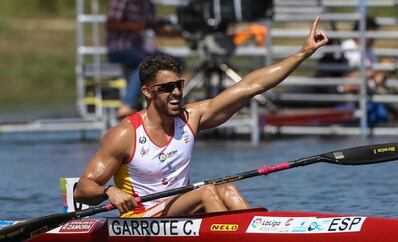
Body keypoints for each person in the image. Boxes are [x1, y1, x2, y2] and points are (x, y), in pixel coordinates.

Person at [74, 17, 329, 218]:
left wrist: (303, 53)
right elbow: (83, 188)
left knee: (229, 190)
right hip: (140, 216)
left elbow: (252, 86)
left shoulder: (190, 118)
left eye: (179, 85)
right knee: (207, 192)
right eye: (166, 88)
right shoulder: (125, 134)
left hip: (179, 207)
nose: (175, 93)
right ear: (147, 91)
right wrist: (110, 191)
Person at [105, 0, 183, 119]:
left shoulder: (148, 4)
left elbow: (155, 30)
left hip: (142, 51)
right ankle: (127, 104)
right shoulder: (122, 2)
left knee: (177, 62)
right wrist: (138, 26)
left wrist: (181, 33)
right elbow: (111, 24)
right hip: (120, 48)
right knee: (145, 62)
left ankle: (170, 100)